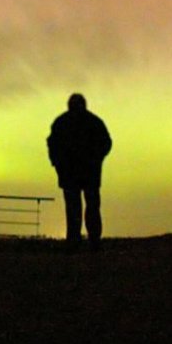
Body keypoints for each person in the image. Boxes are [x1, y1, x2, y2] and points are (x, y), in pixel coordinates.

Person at [47, 93, 112, 252]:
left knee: (79, 207)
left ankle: (82, 240)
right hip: (82, 173)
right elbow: (106, 143)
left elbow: (52, 146)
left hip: (78, 173)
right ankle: (87, 240)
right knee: (84, 206)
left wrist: (58, 164)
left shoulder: (62, 123)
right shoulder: (92, 122)